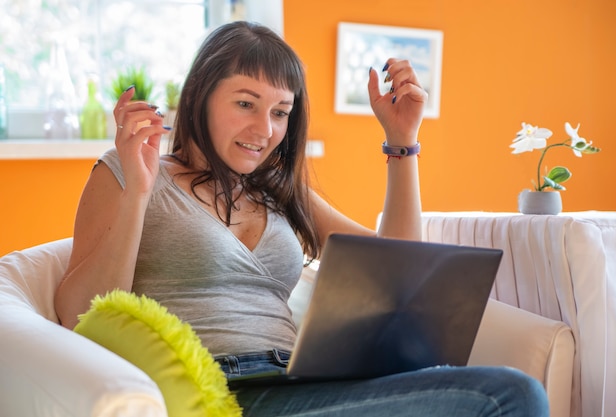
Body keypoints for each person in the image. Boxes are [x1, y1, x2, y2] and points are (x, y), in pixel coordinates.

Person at [54, 21, 548, 417]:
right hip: (225, 391)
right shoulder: (132, 170)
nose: (263, 130)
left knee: (504, 390)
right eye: (245, 104)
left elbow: (401, 270)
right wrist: (138, 195)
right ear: (202, 95)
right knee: (507, 396)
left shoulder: (279, 190)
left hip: (301, 382)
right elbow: (79, 313)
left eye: (280, 112)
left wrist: (403, 141)